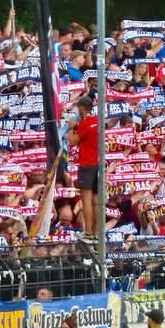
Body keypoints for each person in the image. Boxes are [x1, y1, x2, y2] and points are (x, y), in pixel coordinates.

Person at [68, 96, 99, 236]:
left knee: (86, 200)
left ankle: (88, 232)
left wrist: (69, 128)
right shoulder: (96, 121)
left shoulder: (85, 122)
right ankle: (97, 231)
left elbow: (72, 142)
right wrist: (76, 127)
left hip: (87, 164)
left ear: (82, 108)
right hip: (99, 164)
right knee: (97, 201)